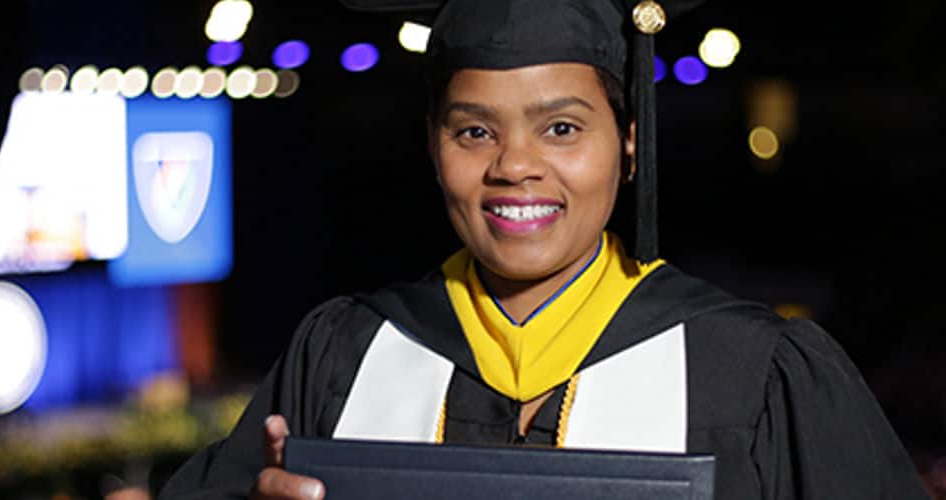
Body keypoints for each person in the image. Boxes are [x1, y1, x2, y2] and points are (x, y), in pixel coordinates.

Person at [158, 0, 931, 498]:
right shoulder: (341, 354)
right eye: (474, 131)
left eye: (562, 128)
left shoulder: (755, 373)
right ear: (432, 146)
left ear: (629, 143)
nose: (515, 165)